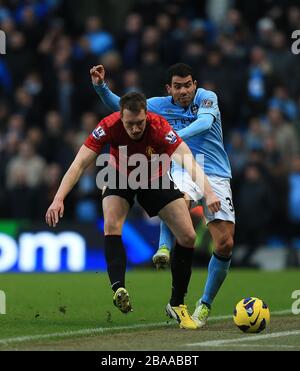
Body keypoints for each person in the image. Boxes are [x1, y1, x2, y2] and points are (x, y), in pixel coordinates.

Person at [45, 92, 221, 330]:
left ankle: (177, 303)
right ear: (121, 116)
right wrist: (58, 198)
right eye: (130, 124)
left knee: (188, 236)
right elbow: (79, 164)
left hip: (154, 178)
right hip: (119, 175)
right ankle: (118, 287)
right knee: (111, 223)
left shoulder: (159, 126)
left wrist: (208, 192)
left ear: (147, 115)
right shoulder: (109, 125)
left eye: (139, 123)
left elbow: (188, 160)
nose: (135, 128)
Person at [90, 63, 235, 328]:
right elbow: (119, 108)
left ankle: (204, 304)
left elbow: (204, 123)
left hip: (214, 171)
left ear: (194, 84)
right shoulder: (156, 104)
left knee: (224, 243)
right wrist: (100, 87)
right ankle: (164, 248)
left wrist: (173, 136)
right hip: (182, 166)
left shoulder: (206, 97)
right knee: (179, 200)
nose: (184, 91)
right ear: (169, 89)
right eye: (178, 86)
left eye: (188, 84)